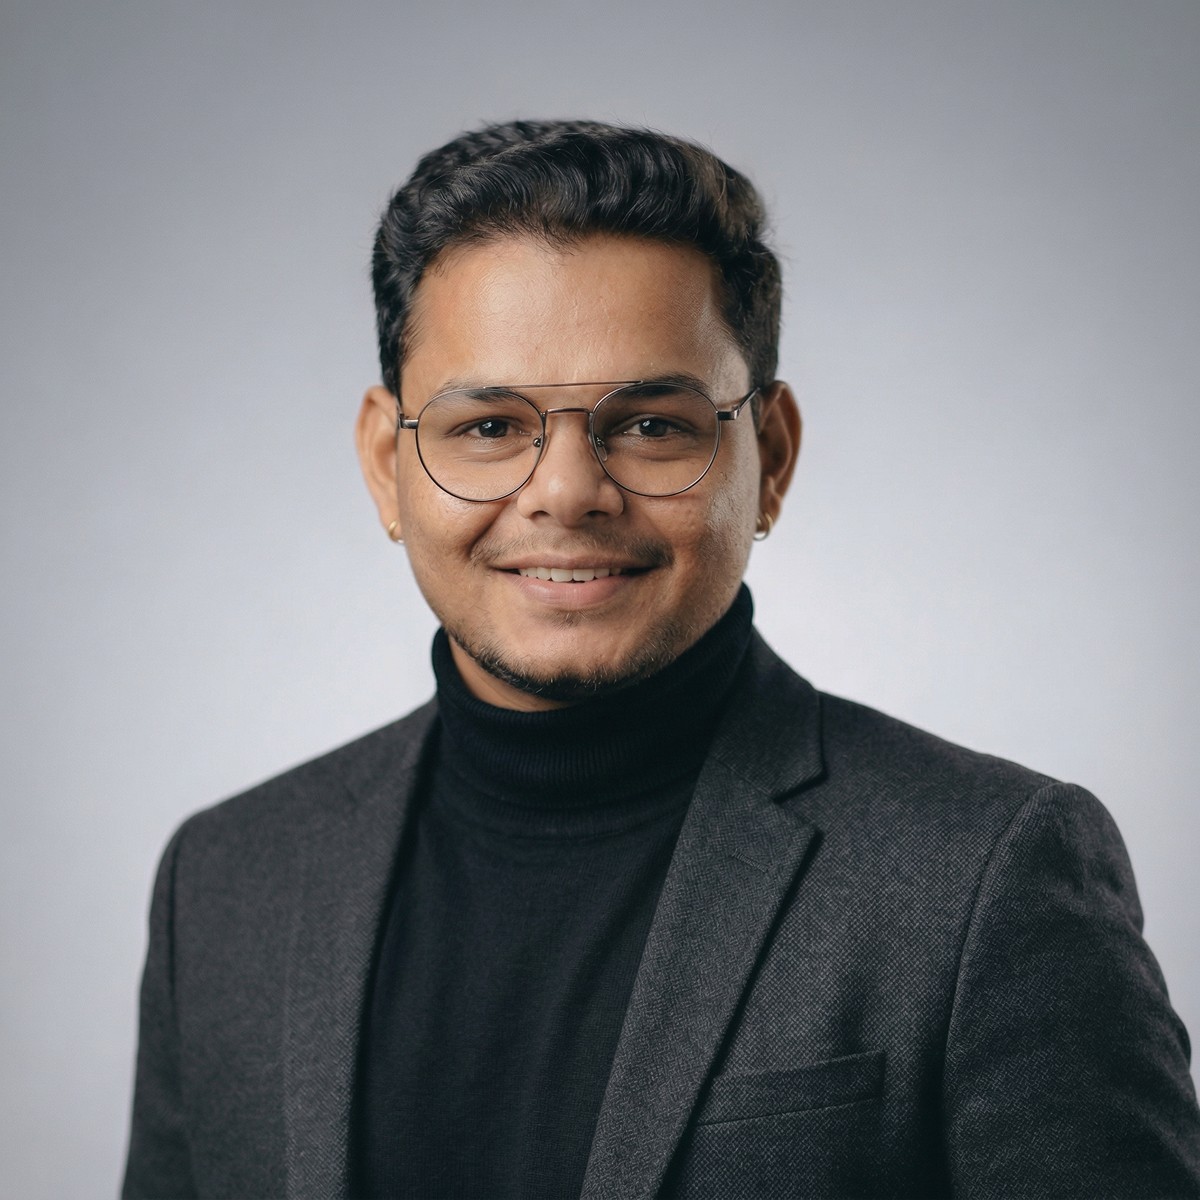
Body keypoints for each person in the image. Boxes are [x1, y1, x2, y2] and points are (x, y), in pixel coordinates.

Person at [122, 119, 1200, 1200]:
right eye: (489, 427)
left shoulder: (986, 876)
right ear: (384, 462)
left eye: (649, 425)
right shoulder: (226, 883)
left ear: (767, 458)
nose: (566, 492)